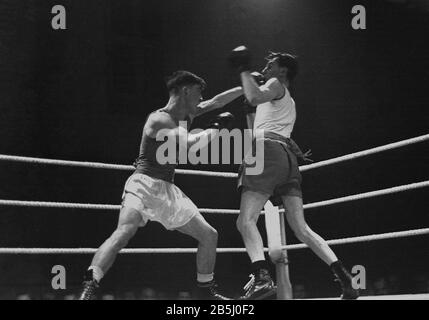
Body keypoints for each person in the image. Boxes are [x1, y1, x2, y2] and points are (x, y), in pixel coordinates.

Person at [78, 70, 243, 300]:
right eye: (198, 93)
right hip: (143, 184)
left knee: (209, 235)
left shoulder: (188, 113)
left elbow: (217, 102)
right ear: (185, 91)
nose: (201, 99)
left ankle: (206, 291)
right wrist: (215, 130)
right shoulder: (159, 119)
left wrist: (247, 85)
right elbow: (188, 145)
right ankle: (90, 285)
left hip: (168, 189)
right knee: (125, 231)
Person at [229, 46, 359, 300]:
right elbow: (257, 125)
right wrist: (248, 109)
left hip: (267, 154)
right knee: (301, 228)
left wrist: (243, 70)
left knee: (245, 221)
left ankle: (262, 278)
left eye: (270, 65)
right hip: (285, 159)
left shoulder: (276, 84)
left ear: (283, 70)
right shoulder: (288, 100)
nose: (265, 69)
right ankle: (345, 278)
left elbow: (255, 100)